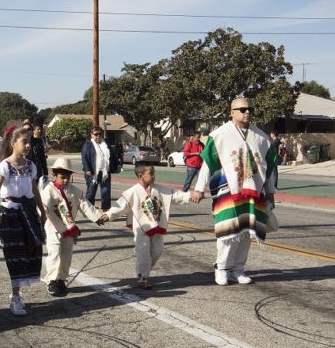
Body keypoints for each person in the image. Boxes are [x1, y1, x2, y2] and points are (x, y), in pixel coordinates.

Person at [191, 98, 277, 286]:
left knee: (246, 231)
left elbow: (269, 167)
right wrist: (199, 188)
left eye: (250, 109)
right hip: (227, 190)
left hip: (254, 192)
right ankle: (221, 268)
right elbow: (207, 164)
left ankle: (238, 268)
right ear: (231, 112)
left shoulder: (261, 137)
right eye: (242, 109)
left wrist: (270, 192)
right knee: (228, 230)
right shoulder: (219, 135)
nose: (247, 112)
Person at [100, 164, 192, 289]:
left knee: (157, 251)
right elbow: (121, 205)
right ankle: (142, 277)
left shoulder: (159, 189)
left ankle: (144, 269)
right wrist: (109, 214)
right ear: (140, 176)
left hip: (157, 225)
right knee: (143, 252)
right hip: (141, 226)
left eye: (154, 173)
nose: (154, 176)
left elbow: (175, 195)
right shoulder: (133, 191)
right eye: (151, 174)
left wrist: (190, 196)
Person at [0, 126, 46, 316]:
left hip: (28, 212)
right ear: (13, 143)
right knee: (15, 254)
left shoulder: (31, 166)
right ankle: (15, 297)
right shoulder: (4, 166)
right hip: (10, 215)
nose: (28, 145)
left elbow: (35, 190)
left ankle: (17, 294)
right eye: (24, 142)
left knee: (31, 251)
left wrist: (42, 211)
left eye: (29, 142)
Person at [40, 158, 103, 296]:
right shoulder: (48, 191)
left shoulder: (75, 191)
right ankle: (52, 280)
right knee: (55, 253)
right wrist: (39, 220)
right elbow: (42, 208)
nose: (65, 180)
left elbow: (84, 204)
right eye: (62, 177)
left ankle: (61, 279)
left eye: (68, 177)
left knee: (66, 255)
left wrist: (96, 217)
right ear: (54, 175)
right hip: (53, 228)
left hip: (69, 229)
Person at [81, 126, 112, 210]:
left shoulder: (105, 144)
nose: (98, 136)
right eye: (96, 134)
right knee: (91, 191)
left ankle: (106, 209)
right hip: (92, 172)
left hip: (105, 171)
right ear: (91, 135)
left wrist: (117, 164)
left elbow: (112, 155)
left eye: (100, 134)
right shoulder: (88, 144)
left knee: (106, 191)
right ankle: (89, 209)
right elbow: (84, 157)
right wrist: (87, 169)